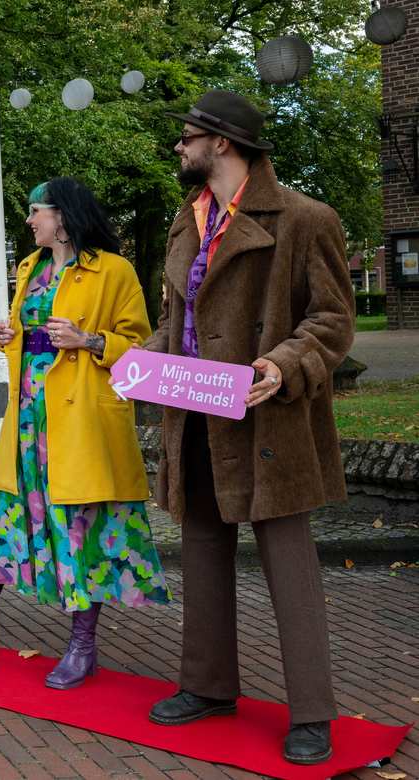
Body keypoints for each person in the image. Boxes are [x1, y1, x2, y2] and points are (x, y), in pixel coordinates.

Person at [143, 90, 353, 766]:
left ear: (222, 142)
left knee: (289, 563)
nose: (179, 148)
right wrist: (136, 363)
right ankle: (207, 686)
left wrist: (284, 361)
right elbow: (178, 322)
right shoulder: (186, 222)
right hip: (196, 414)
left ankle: (312, 713)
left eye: (186, 138)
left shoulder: (305, 218)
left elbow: (332, 322)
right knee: (202, 547)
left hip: (269, 417)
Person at [0, 178, 170, 687]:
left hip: (79, 423)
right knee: (6, 521)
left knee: (77, 527)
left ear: (64, 216)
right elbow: (23, 342)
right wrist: (10, 337)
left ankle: (83, 647)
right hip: (28, 418)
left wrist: (89, 340)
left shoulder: (113, 271)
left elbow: (141, 346)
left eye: (38, 212)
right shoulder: (29, 268)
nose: (31, 221)